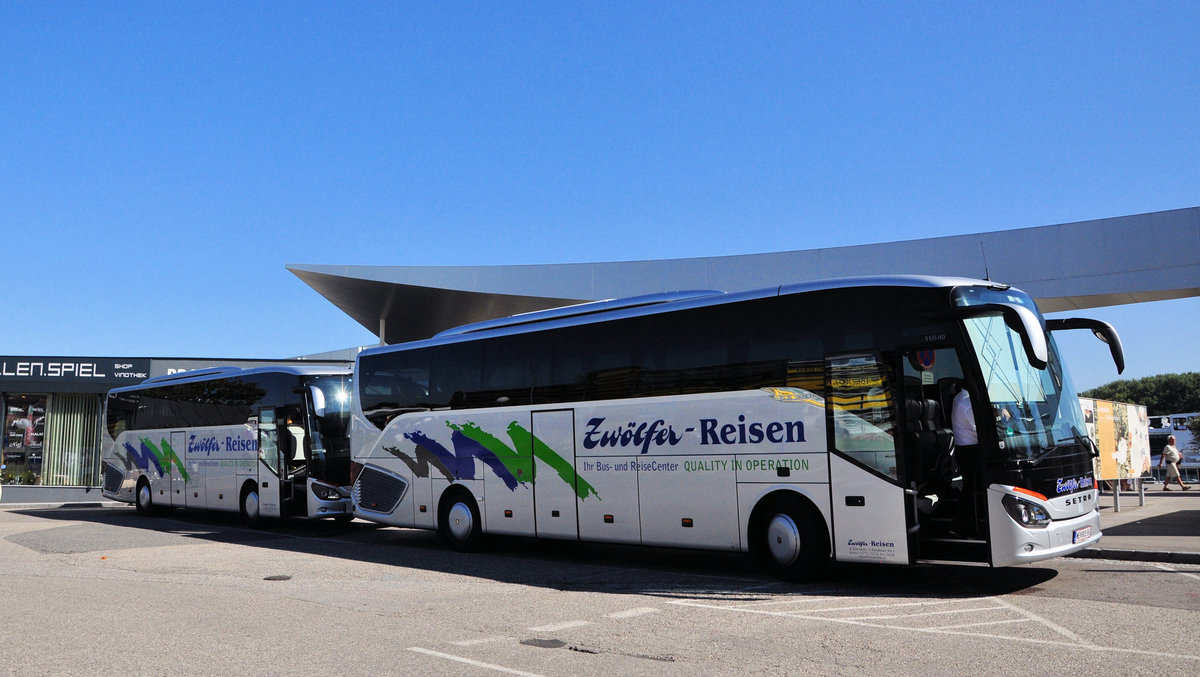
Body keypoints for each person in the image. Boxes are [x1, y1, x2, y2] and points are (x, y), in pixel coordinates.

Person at [950, 387, 979, 534]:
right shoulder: (966, 402)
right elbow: (979, 428)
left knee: (970, 488)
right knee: (971, 489)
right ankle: (966, 526)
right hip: (970, 451)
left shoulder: (962, 398)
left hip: (967, 450)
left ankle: (966, 524)